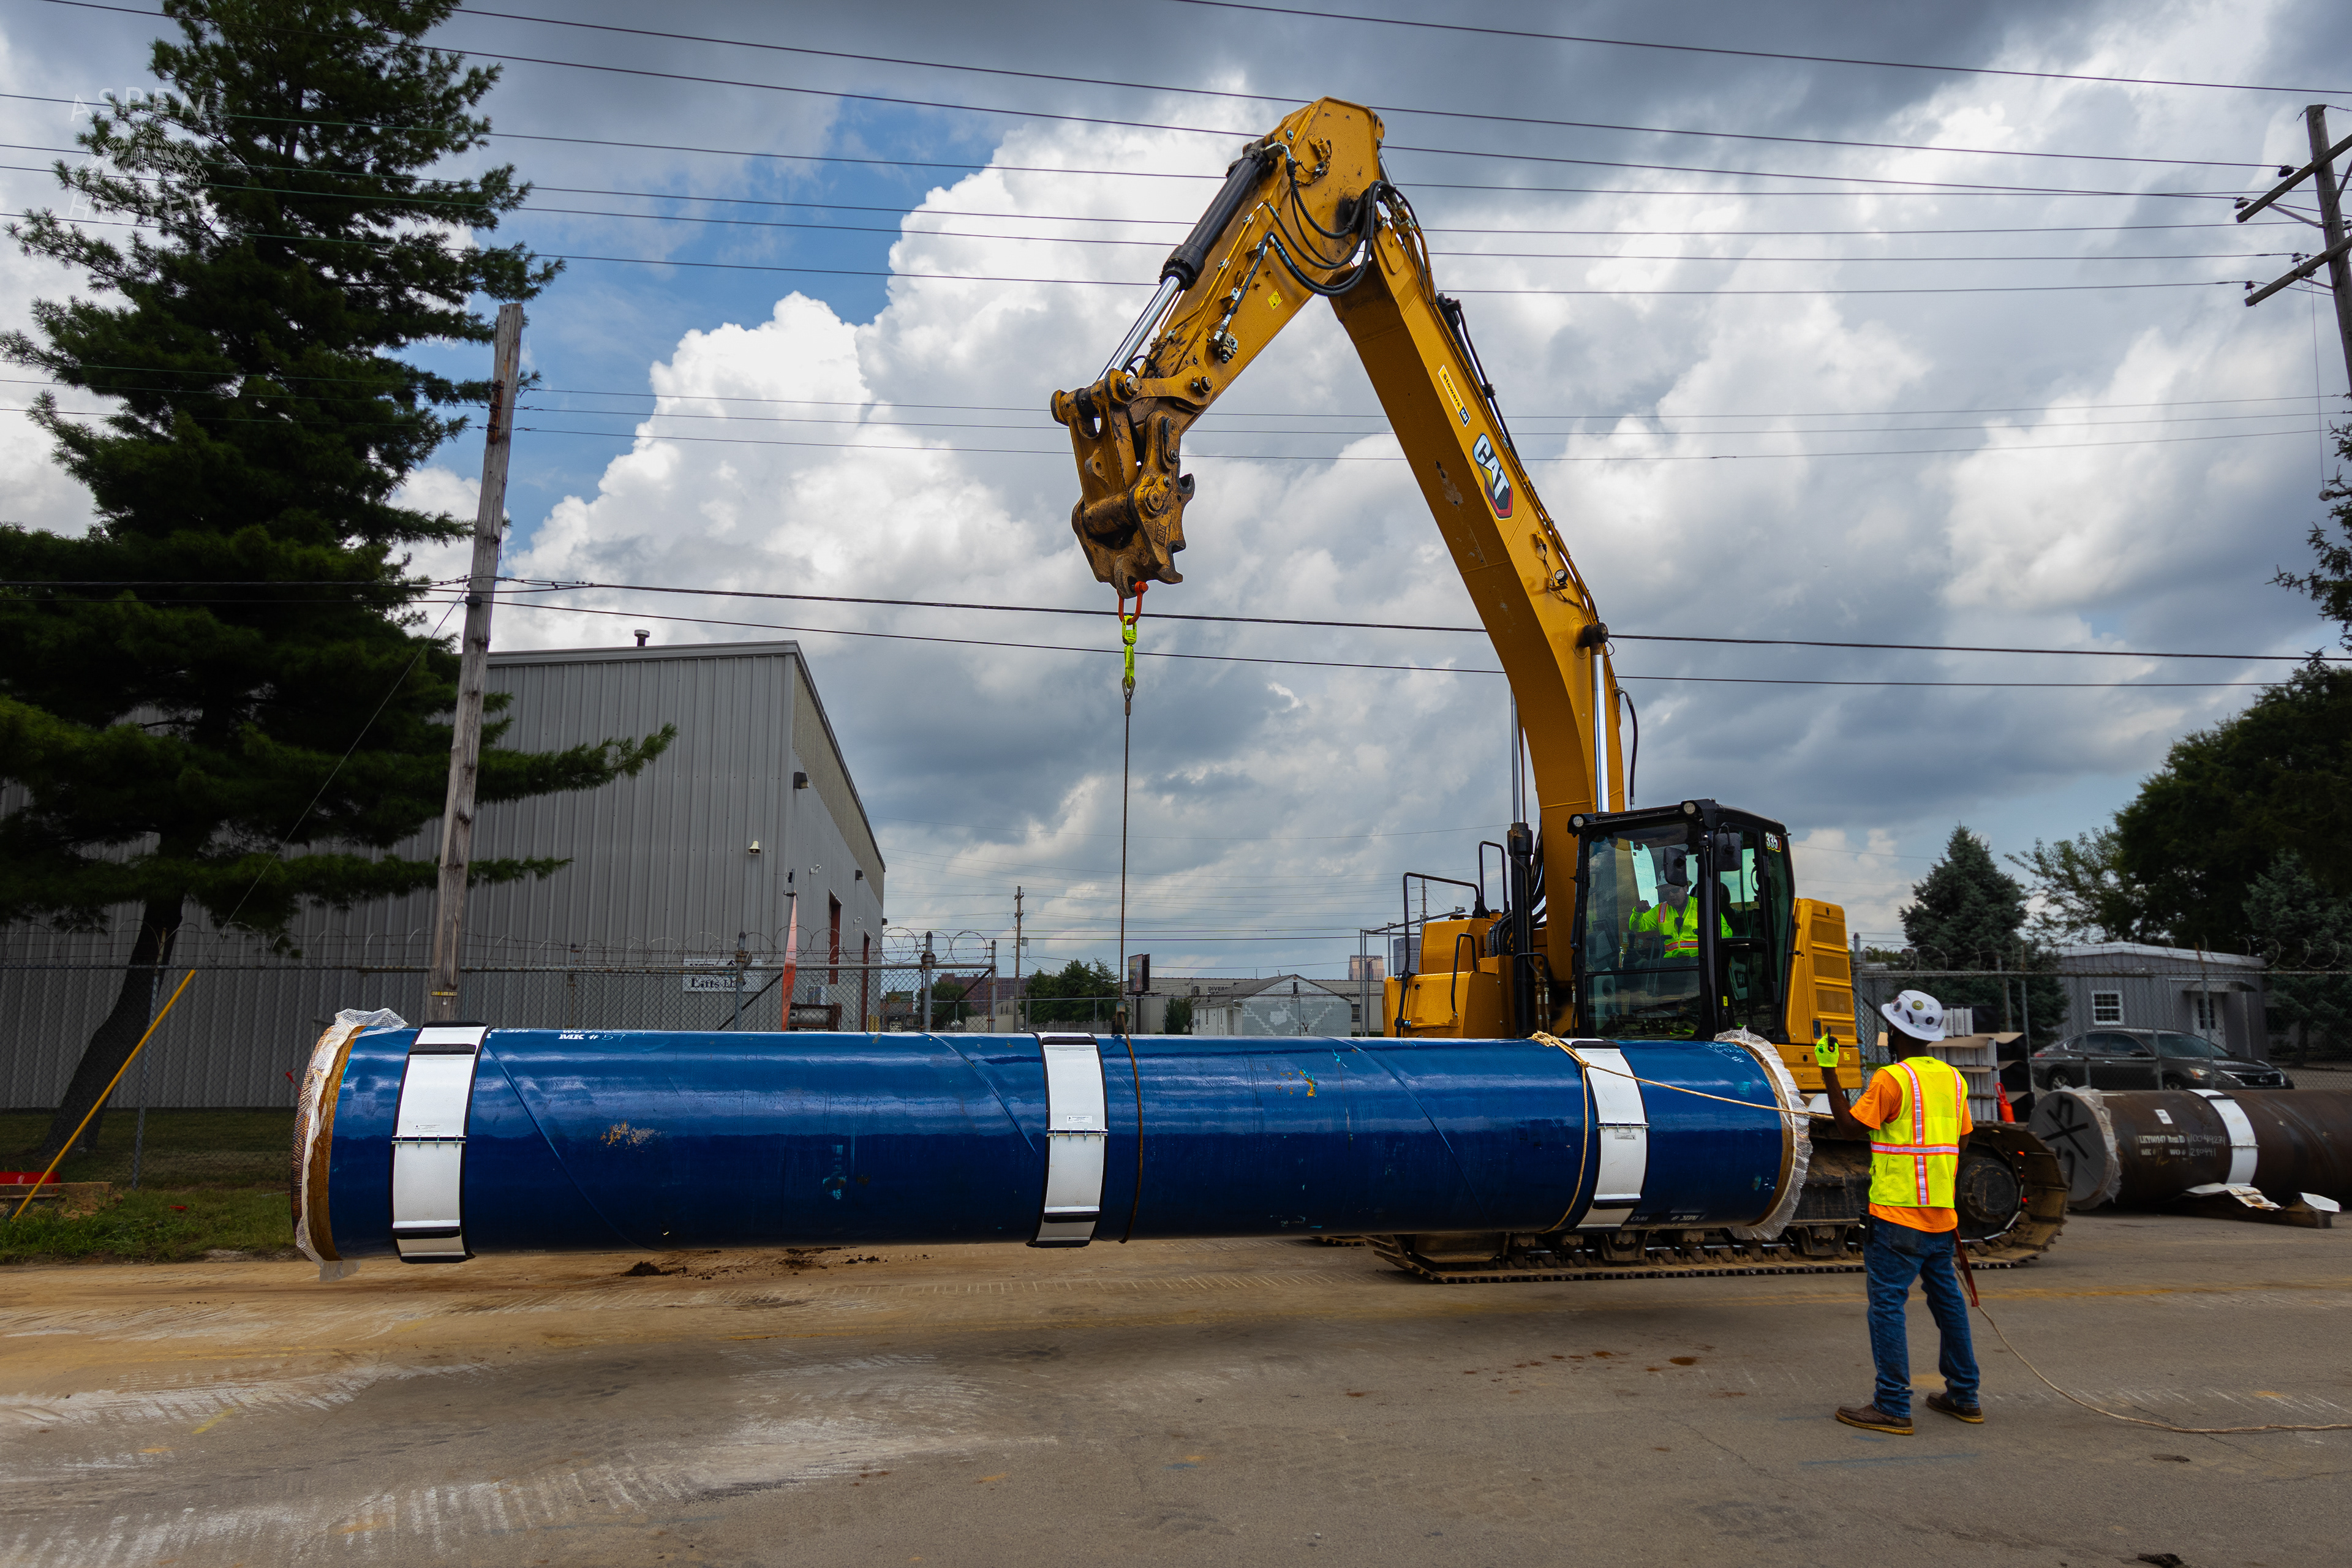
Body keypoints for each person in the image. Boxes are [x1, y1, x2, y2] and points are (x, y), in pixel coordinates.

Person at [1822, 988, 1983, 1436]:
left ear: (1894, 1031)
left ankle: (1892, 1404)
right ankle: (1964, 1395)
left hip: (1896, 1215)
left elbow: (1850, 1127)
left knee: (1888, 1307)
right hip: (1940, 1215)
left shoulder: (1891, 1080)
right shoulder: (1954, 1081)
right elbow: (1964, 1141)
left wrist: (1829, 1073)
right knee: (1949, 1305)